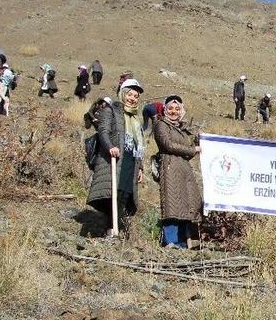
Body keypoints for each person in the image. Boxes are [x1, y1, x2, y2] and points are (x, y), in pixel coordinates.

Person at [86, 79, 146, 238]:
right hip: (114, 159)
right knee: (112, 194)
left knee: (124, 195)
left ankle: (114, 229)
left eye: (136, 96)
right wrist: (110, 147)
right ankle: (109, 230)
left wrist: (140, 167)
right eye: (130, 95)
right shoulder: (111, 110)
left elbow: (137, 145)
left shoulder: (135, 119)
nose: (132, 99)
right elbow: (103, 131)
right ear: (123, 94)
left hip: (130, 161)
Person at [152, 95, 202, 248]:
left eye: (177, 109)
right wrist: (192, 150)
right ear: (165, 110)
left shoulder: (183, 129)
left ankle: (184, 241)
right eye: (170, 108)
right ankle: (171, 240)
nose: (174, 112)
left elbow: (190, 149)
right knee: (172, 204)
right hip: (170, 167)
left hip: (185, 170)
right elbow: (168, 145)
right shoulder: (161, 125)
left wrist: (197, 143)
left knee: (188, 204)